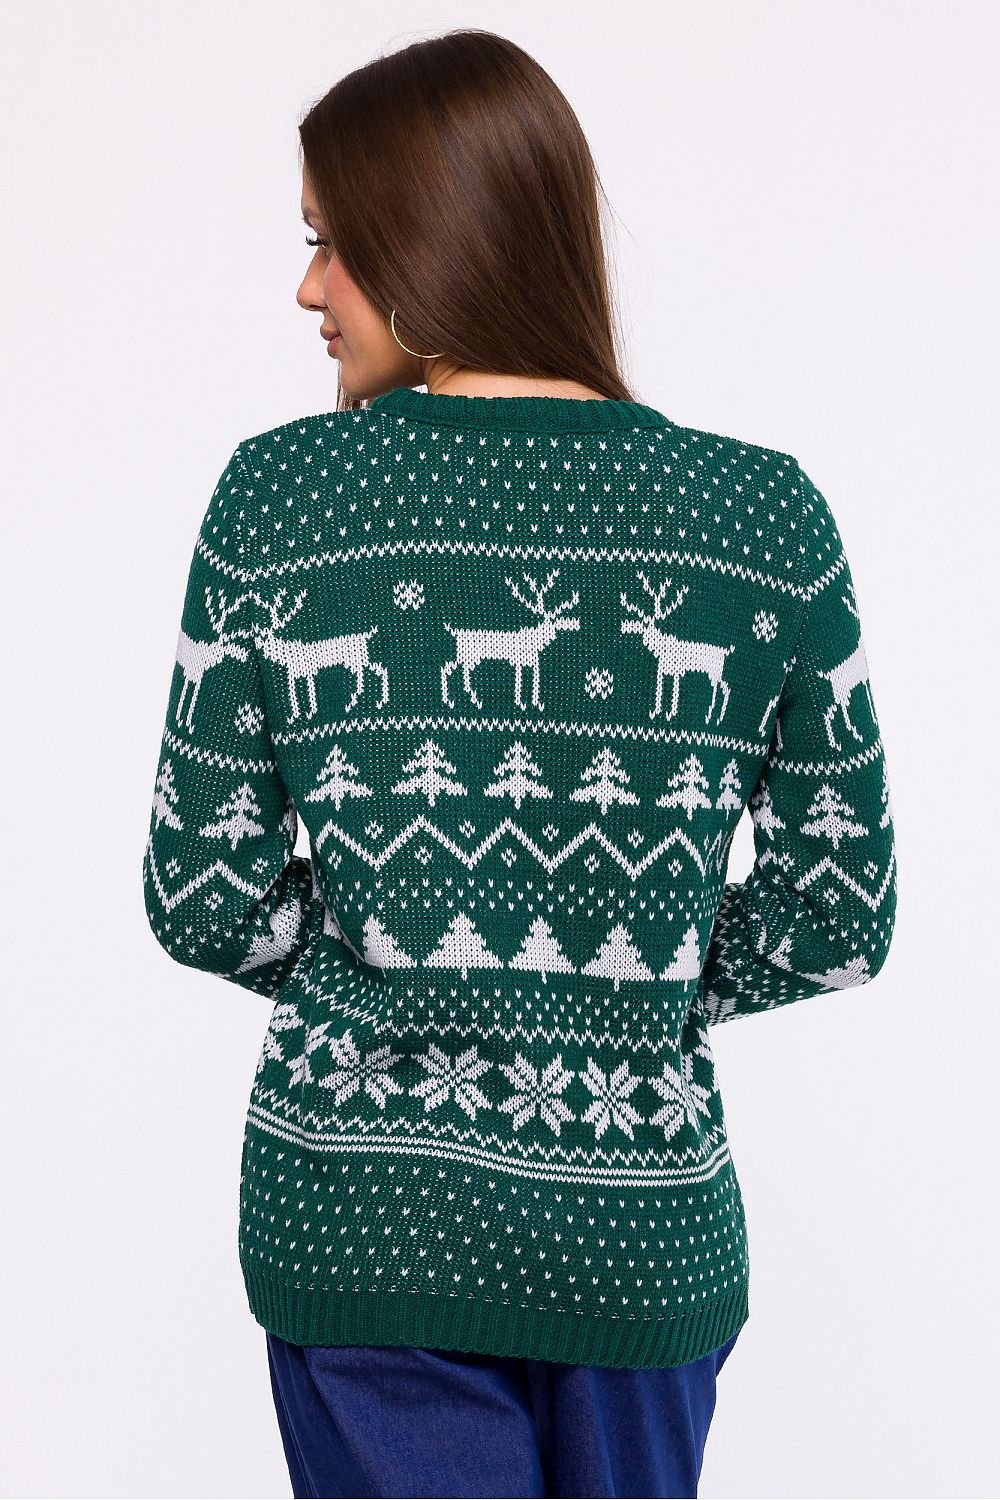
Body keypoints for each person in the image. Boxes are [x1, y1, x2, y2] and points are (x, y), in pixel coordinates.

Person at [142, 27, 897, 1500]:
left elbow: (201, 896)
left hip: (369, 1226)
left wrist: (396, 958)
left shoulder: (280, 500)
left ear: (429, 240)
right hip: (639, 1236)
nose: (307, 289)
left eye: (331, 244)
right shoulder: (763, 520)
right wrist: (630, 977)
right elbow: (839, 919)